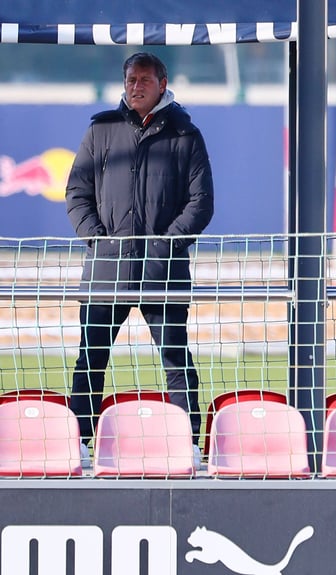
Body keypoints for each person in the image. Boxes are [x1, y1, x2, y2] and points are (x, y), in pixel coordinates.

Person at [65, 52, 214, 461]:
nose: (136, 86)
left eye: (144, 80)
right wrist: (99, 242)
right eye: (131, 79)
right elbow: (77, 194)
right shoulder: (101, 130)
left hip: (163, 271)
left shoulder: (186, 134)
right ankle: (77, 443)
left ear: (162, 84)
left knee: (175, 359)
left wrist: (163, 247)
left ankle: (188, 444)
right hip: (106, 270)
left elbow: (201, 203)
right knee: (90, 360)